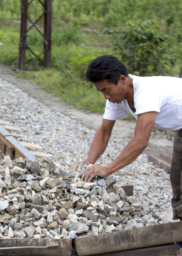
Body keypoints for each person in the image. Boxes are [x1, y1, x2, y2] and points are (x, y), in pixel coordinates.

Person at [71, 55, 182, 220]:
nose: (105, 97)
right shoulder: (117, 98)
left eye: (106, 90)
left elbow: (140, 141)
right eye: (101, 91)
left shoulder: (146, 92)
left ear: (122, 80)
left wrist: (108, 169)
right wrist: (90, 163)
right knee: (178, 181)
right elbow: (104, 132)